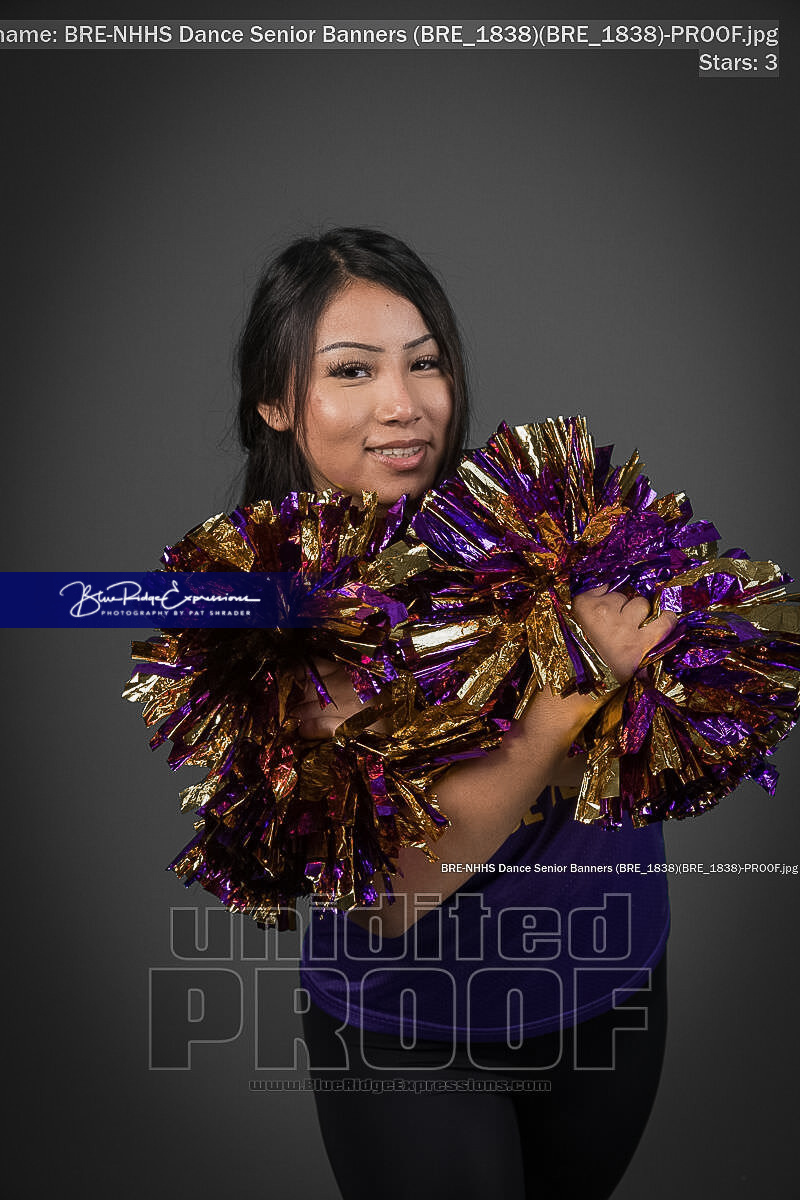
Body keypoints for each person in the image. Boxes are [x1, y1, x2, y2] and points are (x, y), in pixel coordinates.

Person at [236, 227, 677, 1199]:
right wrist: (572, 690)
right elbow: (396, 891)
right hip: (414, 1033)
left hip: (609, 992)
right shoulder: (272, 615)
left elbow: (679, 698)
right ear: (275, 400)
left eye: (424, 362)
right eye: (352, 370)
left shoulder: (538, 513)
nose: (404, 404)